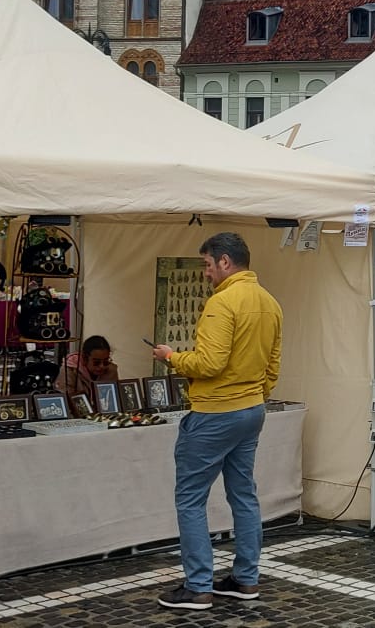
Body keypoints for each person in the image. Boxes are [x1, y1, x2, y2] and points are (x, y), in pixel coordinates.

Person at [154, 233, 283, 609]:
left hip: (215, 412)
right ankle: (246, 579)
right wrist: (258, 394)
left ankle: (198, 587)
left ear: (225, 262)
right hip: (251, 409)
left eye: (208, 266)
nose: (206, 274)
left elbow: (209, 363)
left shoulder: (221, 303)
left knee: (190, 499)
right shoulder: (270, 302)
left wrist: (172, 357)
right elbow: (273, 363)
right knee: (243, 495)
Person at [58, 335, 119, 400]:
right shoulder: (69, 371)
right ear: (84, 359)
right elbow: (65, 401)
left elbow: (114, 399)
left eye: (106, 362)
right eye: (96, 362)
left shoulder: (111, 371)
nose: (102, 366)